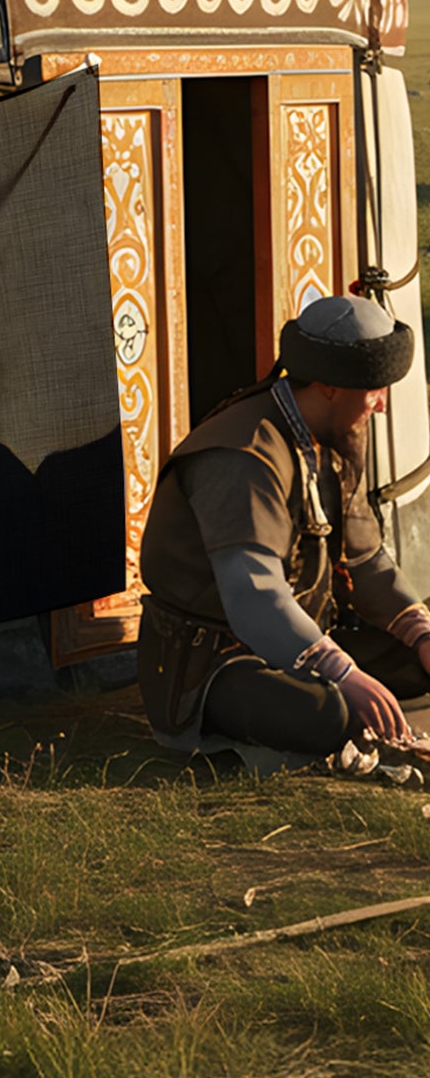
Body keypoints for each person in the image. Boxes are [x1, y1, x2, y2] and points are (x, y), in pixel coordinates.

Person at [138, 293, 430, 765]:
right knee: (331, 714)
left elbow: (365, 560)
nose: (382, 406)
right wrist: (344, 674)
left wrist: (422, 635)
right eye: (375, 388)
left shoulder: (336, 433)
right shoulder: (243, 454)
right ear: (330, 387)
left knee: (420, 651)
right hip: (220, 662)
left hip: (307, 637)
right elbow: (255, 599)